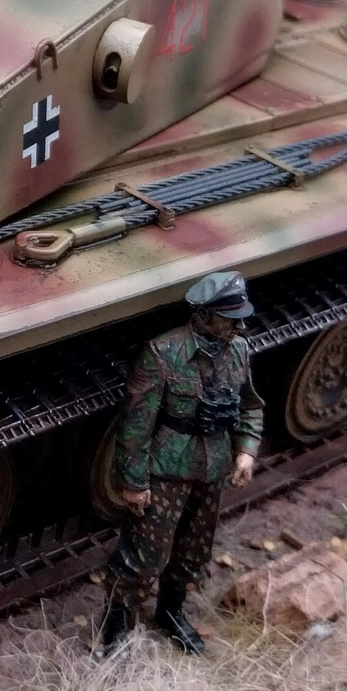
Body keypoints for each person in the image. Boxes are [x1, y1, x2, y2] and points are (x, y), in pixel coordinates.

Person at [99, 270, 264, 655]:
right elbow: (136, 425)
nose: (239, 326)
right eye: (229, 318)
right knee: (144, 555)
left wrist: (246, 450)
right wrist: (135, 482)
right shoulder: (163, 353)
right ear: (204, 314)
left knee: (194, 550)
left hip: (213, 465)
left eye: (240, 318)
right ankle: (117, 624)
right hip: (167, 469)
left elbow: (250, 405)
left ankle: (170, 611)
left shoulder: (238, 350)